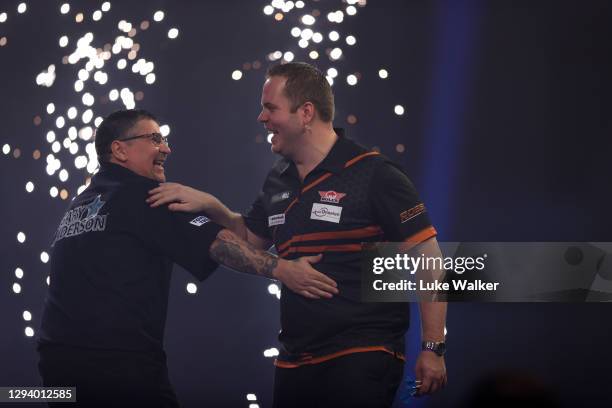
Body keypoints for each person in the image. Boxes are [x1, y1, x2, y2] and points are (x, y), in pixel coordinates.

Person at [148, 62, 448, 407]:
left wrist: (432, 346)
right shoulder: (278, 180)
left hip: (362, 351)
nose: (261, 118)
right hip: (294, 358)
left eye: (270, 107)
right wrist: (211, 205)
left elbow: (429, 257)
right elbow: (250, 240)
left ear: (306, 112)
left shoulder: (373, 173)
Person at [38, 109, 338, 408]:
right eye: (154, 139)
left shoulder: (82, 202)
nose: (166, 148)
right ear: (119, 149)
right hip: (118, 368)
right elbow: (220, 245)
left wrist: (209, 203)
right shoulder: (146, 195)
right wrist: (285, 270)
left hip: (57, 366)